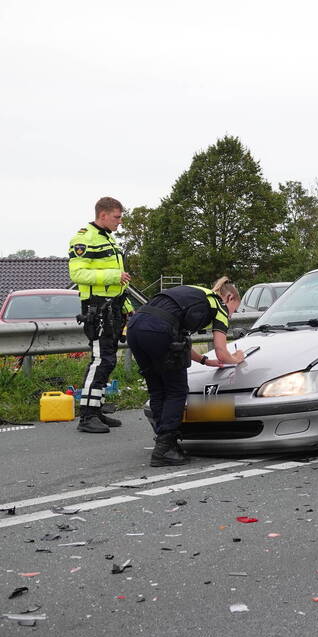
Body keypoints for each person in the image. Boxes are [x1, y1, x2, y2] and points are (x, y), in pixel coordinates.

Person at [127, 277, 244, 466]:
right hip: (159, 330)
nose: (231, 316)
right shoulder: (219, 305)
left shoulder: (196, 293)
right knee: (176, 390)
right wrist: (237, 357)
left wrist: (205, 360)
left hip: (135, 327)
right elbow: (223, 353)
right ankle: (165, 449)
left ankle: (165, 443)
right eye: (234, 310)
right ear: (229, 297)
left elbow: (178, 338)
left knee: (158, 389)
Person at [68, 196, 134, 434]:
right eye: (117, 217)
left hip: (113, 306)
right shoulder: (83, 239)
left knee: (108, 359)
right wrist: (111, 277)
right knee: (101, 359)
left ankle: (97, 409)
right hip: (96, 307)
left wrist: (126, 307)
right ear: (103, 214)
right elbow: (77, 275)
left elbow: (118, 281)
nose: (120, 222)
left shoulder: (108, 238)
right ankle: (86, 416)